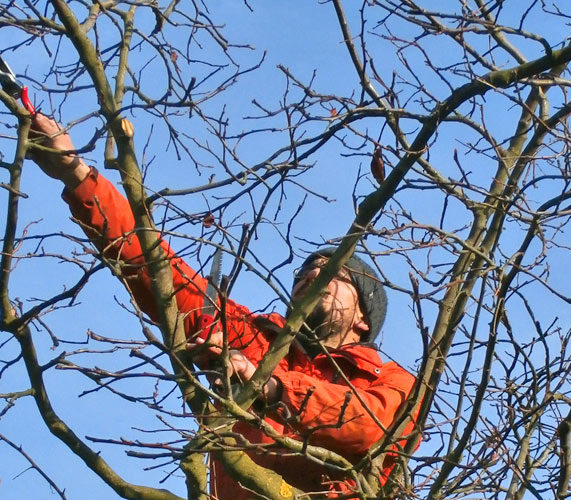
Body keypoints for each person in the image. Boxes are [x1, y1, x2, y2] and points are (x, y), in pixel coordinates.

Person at [28, 114, 417, 499]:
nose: (311, 275)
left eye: (333, 273)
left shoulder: (393, 382)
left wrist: (274, 387)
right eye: (304, 270)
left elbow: (370, 423)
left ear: (364, 319)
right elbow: (160, 272)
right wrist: (77, 174)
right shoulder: (249, 337)